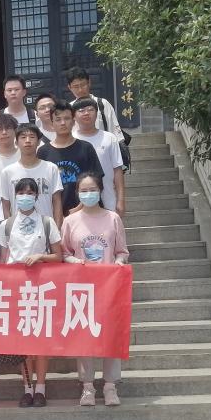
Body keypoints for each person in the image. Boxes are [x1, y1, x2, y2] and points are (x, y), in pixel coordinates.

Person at [60, 172, 130, 407]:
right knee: (84, 336)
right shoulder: (70, 221)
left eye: (92, 190)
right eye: (84, 190)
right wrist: (73, 261)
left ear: (100, 191)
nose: (88, 194)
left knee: (111, 334)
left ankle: (110, 385)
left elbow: (122, 250)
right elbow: (64, 252)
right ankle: (87, 386)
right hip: (82, 288)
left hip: (109, 287)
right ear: (77, 193)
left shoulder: (113, 218)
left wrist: (118, 262)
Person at [0, 178, 64, 408]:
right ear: (15, 196)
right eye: (21, 193)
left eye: (29, 193)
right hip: (16, 289)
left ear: (36, 196)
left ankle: (41, 388)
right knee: (23, 340)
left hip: (41, 288)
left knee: (41, 339)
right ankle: (27, 387)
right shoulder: (6, 225)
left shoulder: (47, 222)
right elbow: (2, 260)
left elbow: (58, 256)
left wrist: (40, 257)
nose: (25, 196)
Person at [38, 100, 103, 216]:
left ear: (73, 122)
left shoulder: (86, 148)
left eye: (67, 118)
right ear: (52, 123)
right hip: (54, 215)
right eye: (58, 119)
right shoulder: (43, 152)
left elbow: (96, 181)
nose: (63, 123)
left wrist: (79, 208)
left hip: (86, 211)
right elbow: (42, 187)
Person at [0, 124, 64, 226]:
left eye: (32, 137)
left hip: (46, 228)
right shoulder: (7, 172)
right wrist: (9, 229)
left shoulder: (51, 168)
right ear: (16, 142)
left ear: (38, 142)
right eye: (23, 137)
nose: (28, 141)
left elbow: (57, 202)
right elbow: (6, 206)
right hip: (18, 230)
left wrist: (57, 229)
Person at [73, 98, 126, 215]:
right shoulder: (72, 139)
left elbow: (117, 170)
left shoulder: (110, 138)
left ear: (97, 113)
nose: (86, 113)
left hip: (108, 198)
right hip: (79, 200)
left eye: (90, 109)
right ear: (74, 116)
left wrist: (121, 200)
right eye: (81, 110)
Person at [65, 67, 124, 142]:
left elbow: (116, 135)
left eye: (83, 85)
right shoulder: (69, 109)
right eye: (76, 87)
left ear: (89, 82)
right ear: (69, 87)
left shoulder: (102, 104)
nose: (80, 90)